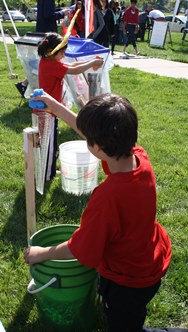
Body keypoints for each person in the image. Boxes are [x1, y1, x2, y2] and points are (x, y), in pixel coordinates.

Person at [24, 92, 172, 332]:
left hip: (128, 280)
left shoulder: (107, 197)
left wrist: (41, 252)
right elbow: (93, 135)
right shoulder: (138, 158)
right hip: (149, 257)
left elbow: (80, 250)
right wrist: (56, 106)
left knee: (124, 325)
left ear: (99, 147)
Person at [35, 32, 103, 181]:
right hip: (48, 112)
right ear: (52, 51)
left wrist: (92, 60)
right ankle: (47, 175)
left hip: (48, 110)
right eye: (63, 52)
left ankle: (49, 170)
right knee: (49, 145)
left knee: (49, 142)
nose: (64, 55)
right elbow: (74, 70)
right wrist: (93, 63)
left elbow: (72, 65)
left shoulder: (48, 62)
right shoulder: (52, 65)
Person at [15, 0, 69, 97]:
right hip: (47, 34)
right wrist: (62, 13)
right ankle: (27, 84)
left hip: (43, 32)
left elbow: (48, 11)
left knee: (40, 63)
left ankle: (24, 84)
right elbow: (48, 15)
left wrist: (60, 10)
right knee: (43, 63)